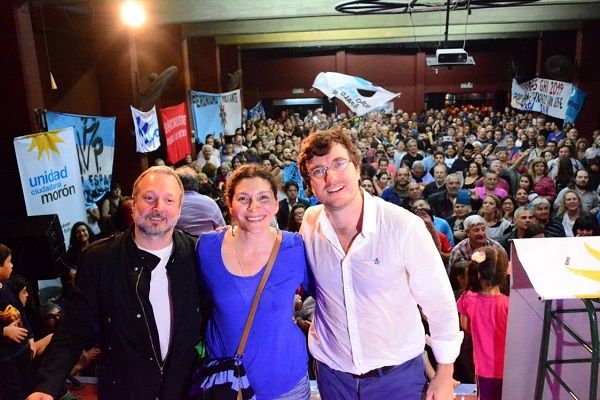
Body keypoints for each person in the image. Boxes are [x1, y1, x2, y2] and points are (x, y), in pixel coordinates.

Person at [298, 129, 462, 400]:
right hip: (332, 375)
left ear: (357, 167)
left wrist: (444, 374)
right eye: (318, 171)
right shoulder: (310, 223)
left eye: (339, 164)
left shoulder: (404, 226)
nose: (331, 178)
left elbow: (439, 304)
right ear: (310, 184)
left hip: (397, 378)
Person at [28, 166, 207, 400]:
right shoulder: (100, 258)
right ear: (133, 204)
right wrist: (47, 385)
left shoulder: (199, 253)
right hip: (123, 391)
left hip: (186, 391)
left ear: (180, 208)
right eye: (149, 198)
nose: (158, 207)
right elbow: (72, 329)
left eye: (169, 200)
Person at [197, 164, 311, 399]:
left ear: (276, 204)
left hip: (286, 382)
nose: (254, 207)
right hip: (227, 383)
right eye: (243, 198)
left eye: (263, 198)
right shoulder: (207, 247)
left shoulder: (295, 247)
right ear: (229, 204)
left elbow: (329, 296)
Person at [457, 246, 509, 400]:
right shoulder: (509, 304)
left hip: (482, 368)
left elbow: (465, 326)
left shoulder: (467, 298)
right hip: (509, 367)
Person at [1, 244, 36, 400]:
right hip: (6, 358)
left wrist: (30, 337)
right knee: (14, 394)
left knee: (30, 388)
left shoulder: (8, 287)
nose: (12, 265)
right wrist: (3, 331)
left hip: (22, 350)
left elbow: (21, 314)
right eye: (9, 262)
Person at [174, 166, 225, 235]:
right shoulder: (210, 202)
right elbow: (223, 229)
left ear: (176, 185)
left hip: (180, 241)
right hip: (207, 241)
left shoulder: (171, 204)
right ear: (197, 184)